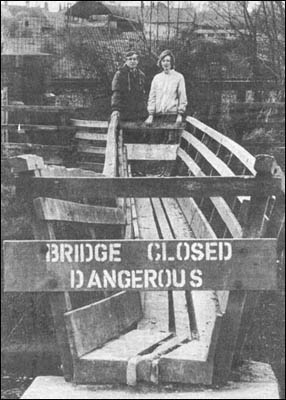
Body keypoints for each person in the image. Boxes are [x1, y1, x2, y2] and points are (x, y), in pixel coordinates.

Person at [145, 49, 187, 126]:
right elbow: (152, 97)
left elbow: (182, 97)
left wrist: (180, 115)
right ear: (160, 63)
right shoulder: (157, 78)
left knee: (172, 138)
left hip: (172, 116)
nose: (165, 63)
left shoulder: (179, 77)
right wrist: (151, 114)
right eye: (163, 61)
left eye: (168, 61)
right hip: (158, 116)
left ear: (171, 62)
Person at [111, 50, 147, 122]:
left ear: (137, 61)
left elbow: (143, 94)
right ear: (126, 61)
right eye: (130, 59)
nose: (132, 61)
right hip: (125, 110)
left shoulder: (141, 75)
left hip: (138, 111)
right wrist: (116, 109)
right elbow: (116, 93)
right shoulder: (120, 74)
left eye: (134, 59)